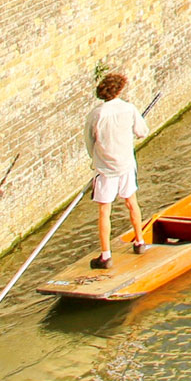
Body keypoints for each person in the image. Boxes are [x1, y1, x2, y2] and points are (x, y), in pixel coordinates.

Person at [84, 71, 149, 270]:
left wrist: (95, 160)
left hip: (105, 169)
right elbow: (142, 132)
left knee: (105, 210)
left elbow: (89, 142)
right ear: (119, 90)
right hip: (126, 165)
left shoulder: (96, 114)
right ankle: (139, 242)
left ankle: (106, 256)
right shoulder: (129, 109)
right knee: (131, 202)